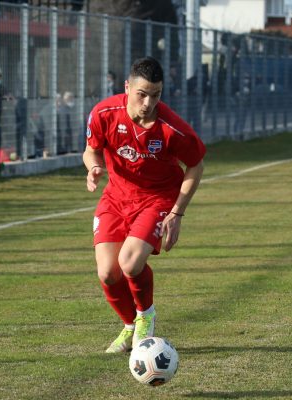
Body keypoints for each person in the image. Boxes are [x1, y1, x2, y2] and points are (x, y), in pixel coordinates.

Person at [83, 57, 206, 353]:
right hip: (116, 197)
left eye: (156, 95)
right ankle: (129, 326)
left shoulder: (172, 128)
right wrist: (94, 168)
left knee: (129, 262)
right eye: (142, 94)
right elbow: (91, 151)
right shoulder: (104, 113)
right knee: (107, 273)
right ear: (127, 87)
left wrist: (177, 212)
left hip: (157, 198)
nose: (148, 102)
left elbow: (196, 165)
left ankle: (145, 315)